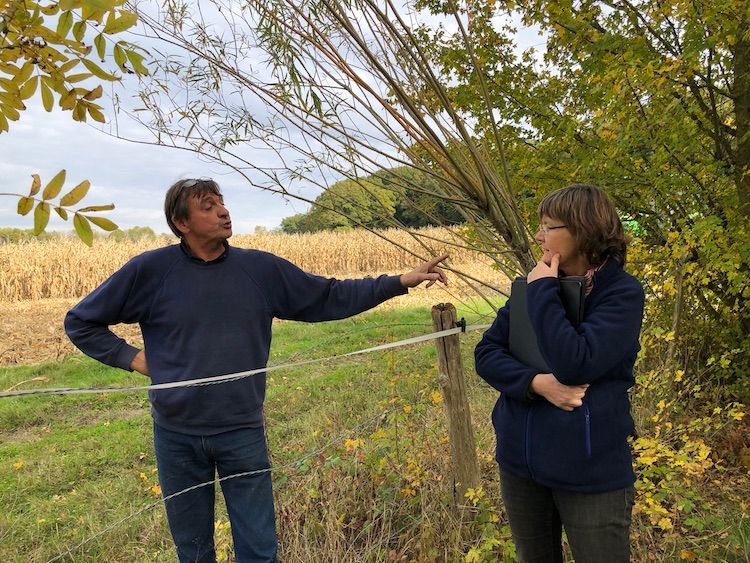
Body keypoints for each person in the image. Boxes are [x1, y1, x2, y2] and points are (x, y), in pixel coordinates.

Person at [64, 178, 448, 563]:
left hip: (241, 431)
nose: (223, 211)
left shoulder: (259, 270)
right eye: (208, 207)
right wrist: (135, 359)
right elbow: (81, 321)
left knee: (260, 551)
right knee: (193, 552)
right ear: (182, 223)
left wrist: (401, 281)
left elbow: (329, 296)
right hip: (176, 435)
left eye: (221, 203)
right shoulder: (150, 271)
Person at [474, 183, 644, 562]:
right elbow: (486, 353)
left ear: (583, 230)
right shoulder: (533, 286)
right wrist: (536, 384)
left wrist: (543, 293)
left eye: (549, 227)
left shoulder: (621, 294)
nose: (539, 236)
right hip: (520, 465)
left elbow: (575, 362)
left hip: (589, 471)